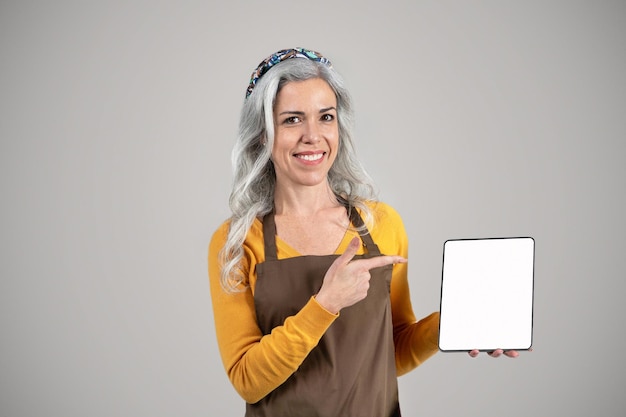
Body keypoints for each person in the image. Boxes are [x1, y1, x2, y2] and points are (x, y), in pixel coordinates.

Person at [208, 47, 517, 417]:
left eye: (326, 117)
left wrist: (450, 325)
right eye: (292, 120)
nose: (313, 136)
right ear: (262, 135)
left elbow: (393, 350)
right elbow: (247, 379)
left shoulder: (381, 225)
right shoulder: (237, 242)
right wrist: (325, 304)